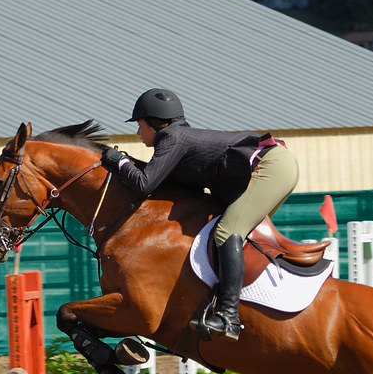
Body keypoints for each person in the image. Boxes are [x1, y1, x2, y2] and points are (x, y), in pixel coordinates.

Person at [101, 88, 300, 342]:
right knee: (229, 232)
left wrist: (120, 162)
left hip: (271, 167)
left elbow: (144, 184)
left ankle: (229, 317)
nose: (138, 133)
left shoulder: (172, 138)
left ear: (155, 123)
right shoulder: (178, 138)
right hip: (274, 165)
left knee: (228, 231)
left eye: (140, 125)